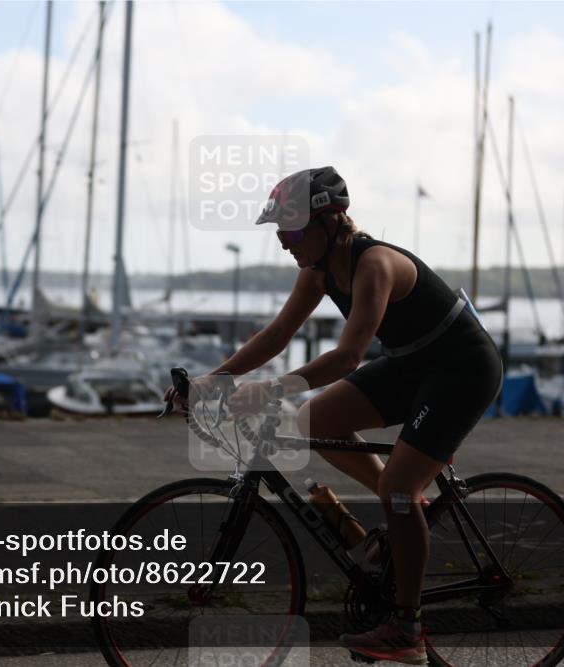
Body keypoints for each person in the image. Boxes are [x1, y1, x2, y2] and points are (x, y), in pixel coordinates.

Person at [167, 166, 503, 664]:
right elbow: (276, 335)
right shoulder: (319, 270)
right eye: (280, 232)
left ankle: (407, 630)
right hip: (412, 362)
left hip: (462, 368)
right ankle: (392, 536)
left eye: (293, 230)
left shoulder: (375, 265)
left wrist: (271, 390)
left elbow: (348, 357)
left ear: (332, 221)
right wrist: (216, 378)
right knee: (309, 424)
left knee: (397, 492)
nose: (284, 242)